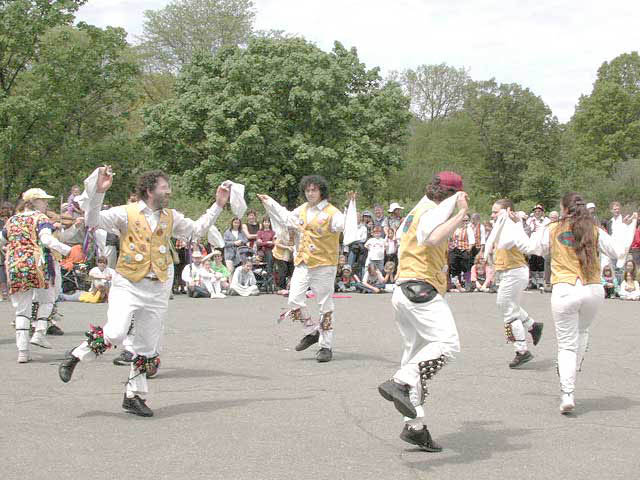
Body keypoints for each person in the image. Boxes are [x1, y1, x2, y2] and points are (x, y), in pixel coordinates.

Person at [57, 167, 230, 417]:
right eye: (164, 187)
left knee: (146, 347)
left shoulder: (171, 216)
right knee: (116, 332)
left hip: (157, 286)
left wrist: (218, 205)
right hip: (128, 282)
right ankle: (76, 355)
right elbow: (93, 221)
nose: (168, 191)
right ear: (150, 190)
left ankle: (133, 396)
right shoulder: (125, 213)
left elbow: (196, 231)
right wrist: (98, 193)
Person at [377, 171, 467, 453]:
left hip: (405, 289)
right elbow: (430, 238)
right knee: (447, 345)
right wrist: (460, 214)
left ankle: (415, 427)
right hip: (421, 289)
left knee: (414, 359)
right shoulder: (432, 211)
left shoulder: (417, 209)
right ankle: (400, 383)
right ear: (451, 195)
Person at [518, 192, 632, 414]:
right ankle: (575, 367)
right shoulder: (595, 229)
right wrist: (630, 227)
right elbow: (619, 252)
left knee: (567, 345)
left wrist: (515, 225)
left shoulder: (552, 228)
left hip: (565, 289)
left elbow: (531, 247)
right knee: (582, 331)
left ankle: (567, 393)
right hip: (592, 289)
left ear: (564, 209)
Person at [259, 176, 352, 363]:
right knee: (294, 299)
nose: (310, 193)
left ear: (321, 192)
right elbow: (285, 216)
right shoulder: (301, 210)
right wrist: (270, 202)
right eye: (308, 190)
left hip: (324, 264)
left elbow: (344, 227)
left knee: (325, 305)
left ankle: (326, 346)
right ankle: (311, 331)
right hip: (302, 262)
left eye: (314, 190)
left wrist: (350, 214)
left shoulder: (332, 212)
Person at [1, 189, 72, 362]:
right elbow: (46, 239)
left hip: (15, 267)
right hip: (37, 266)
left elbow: (2, 239)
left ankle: (23, 352)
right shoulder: (40, 219)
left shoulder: (12, 220)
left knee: (21, 310)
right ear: (35, 202)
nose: (46, 204)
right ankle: (40, 330)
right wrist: (66, 250)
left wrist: (10, 249)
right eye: (43, 201)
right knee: (47, 300)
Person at [489, 199, 544, 368]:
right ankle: (532, 325)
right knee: (508, 305)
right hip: (509, 272)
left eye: (496, 211)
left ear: (507, 211)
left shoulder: (510, 228)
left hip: (514, 271)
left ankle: (522, 350)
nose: (492, 215)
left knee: (508, 310)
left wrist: (518, 220)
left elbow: (507, 242)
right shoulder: (502, 227)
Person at [272, 227, 295, 293]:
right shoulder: (283, 233)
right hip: (280, 255)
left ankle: (291, 286)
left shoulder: (295, 235)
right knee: (283, 270)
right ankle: (281, 288)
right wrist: (287, 247)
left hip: (289, 255)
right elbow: (276, 243)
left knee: (292, 270)